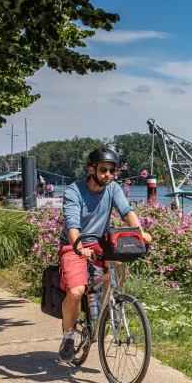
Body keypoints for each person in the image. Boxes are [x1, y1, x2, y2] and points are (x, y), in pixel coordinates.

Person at [57, 148, 151, 363]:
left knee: (119, 260)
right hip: (74, 244)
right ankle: (68, 337)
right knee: (76, 291)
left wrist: (139, 234)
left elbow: (127, 212)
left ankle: (113, 306)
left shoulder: (113, 188)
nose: (108, 174)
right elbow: (72, 224)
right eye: (103, 170)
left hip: (98, 243)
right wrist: (79, 246)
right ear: (91, 169)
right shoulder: (74, 191)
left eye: (112, 170)